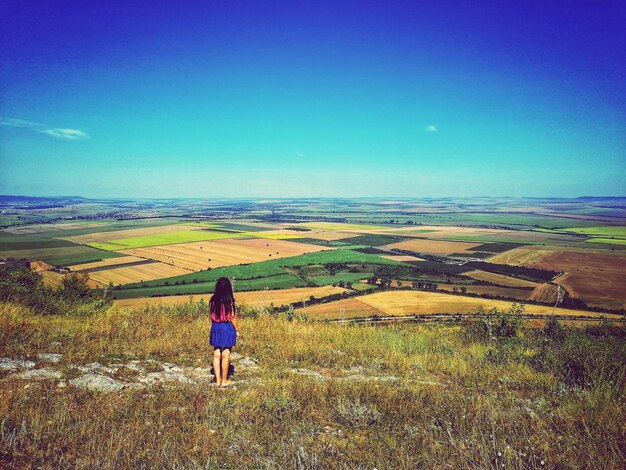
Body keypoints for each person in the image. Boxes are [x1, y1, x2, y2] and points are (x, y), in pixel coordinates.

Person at [209, 277, 239, 387]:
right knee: (226, 354)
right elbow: (232, 317)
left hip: (216, 327)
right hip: (227, 327)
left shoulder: (213, 300)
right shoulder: (229, 300)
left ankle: (217, 381)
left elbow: (211, 315)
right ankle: (225, 381)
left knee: (216, 354)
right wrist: (236, 330)